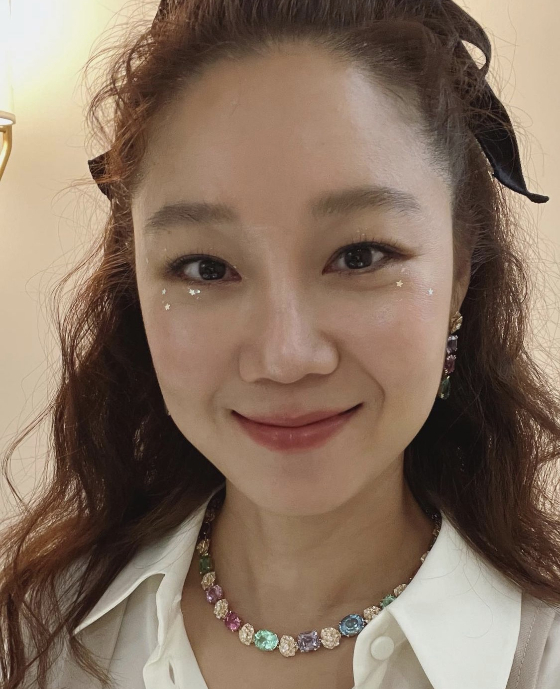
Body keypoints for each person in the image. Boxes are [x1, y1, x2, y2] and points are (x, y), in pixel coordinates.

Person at [1, 0, 559, 687]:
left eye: (359, 256)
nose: (284, 356)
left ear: (459, 275)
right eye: (205, 268)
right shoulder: (33, 634)